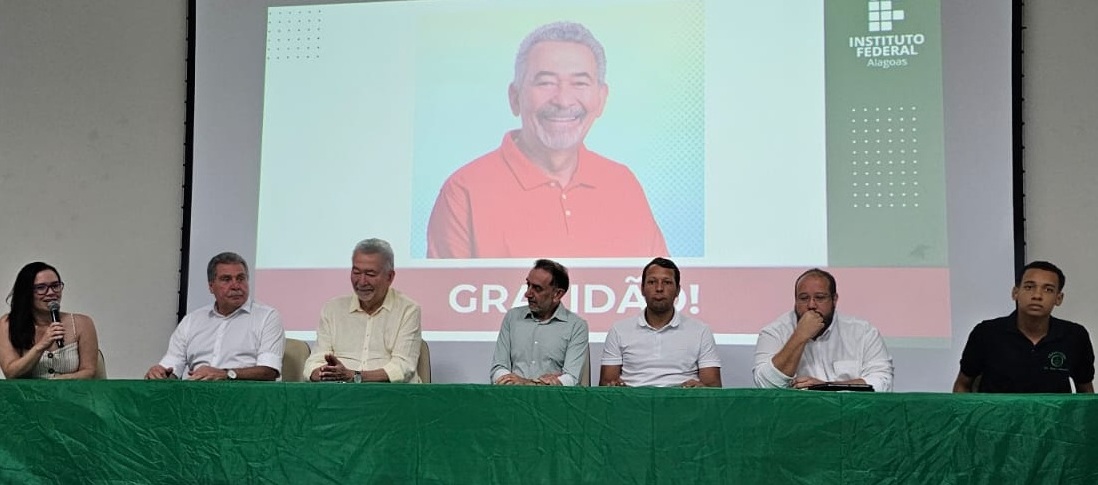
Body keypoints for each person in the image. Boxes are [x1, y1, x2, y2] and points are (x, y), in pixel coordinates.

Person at [426, 21, 668, 259]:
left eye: (580, 83)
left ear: (602, 98)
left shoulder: (623, 185)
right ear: (515, 97)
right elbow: (443, 297)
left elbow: (666, 291)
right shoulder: (464, 191)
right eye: (546, 82)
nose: (563, 100)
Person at [954, 261, 1094, 393]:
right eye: (1029, 287)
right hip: (996, 418)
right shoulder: (986, 333)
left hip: (1054, 418)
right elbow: (963, 385)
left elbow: (1086, 391)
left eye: (1048, 289)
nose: (1037, 295)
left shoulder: (1075, 336)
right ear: (1015, 293)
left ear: (1059, 298)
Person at [145, 252, 284, 380]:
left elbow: (269, 371)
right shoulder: (192, 320)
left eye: (241, 279)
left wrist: (226, 374)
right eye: (226, 279)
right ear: (211, 286)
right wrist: (160, 373)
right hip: (196, 396)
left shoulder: (267, 317)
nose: (236, 285)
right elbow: (172, 366)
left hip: (244, 398)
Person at [752, 269, 894, 391]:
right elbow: (766, 385)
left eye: (820, 298)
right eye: (803, 298)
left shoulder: (863, 332)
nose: (811, 305)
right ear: (795, 300)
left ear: (834, 299)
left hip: (851, 416)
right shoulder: (774, 332)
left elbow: (882, 382)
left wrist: (827, 387)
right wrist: (799, 336)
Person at [305, 238, 423, 383]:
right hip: (341, 396)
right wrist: (321, 373)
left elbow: (403, 367)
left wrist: (354, 376)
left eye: (370, 274)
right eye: (356, 272)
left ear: (390, 277)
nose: (361, 282)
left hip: (391, 397)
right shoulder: (332, 309)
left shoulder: (408, 310)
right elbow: (314, 362)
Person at [600, 258, 721, 387]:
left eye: (667, 282)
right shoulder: (619, 330)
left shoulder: (700, 331)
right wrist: (616, 386)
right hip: (633, 403)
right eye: (652, 282)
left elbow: (712, 386)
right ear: (642, 289)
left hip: (682, 403)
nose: (659, 288)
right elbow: (607, 385)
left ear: (678, 290)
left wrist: (701, 388)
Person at [490, 259, 589, 385]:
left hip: (553, 401)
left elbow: (570, 379)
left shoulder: (576, 326)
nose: (527, 294)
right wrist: (525, 383)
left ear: (557, 294)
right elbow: (498, 368)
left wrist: (526, 383)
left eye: (537, 288)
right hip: (512, 397)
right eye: (528, 285)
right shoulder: (512, 317)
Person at [0, 262, 100, 379]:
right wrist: (41, 345)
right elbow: (11, 373)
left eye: (55, 285)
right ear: (26, 292)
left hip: (71, 394)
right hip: (27, 396)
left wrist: (58, 383)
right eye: (41, 288)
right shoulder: (8, 323)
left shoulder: (83, 323)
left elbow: (89, 371)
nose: (51, 292)